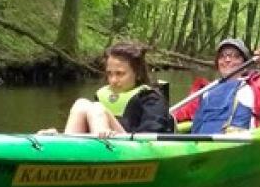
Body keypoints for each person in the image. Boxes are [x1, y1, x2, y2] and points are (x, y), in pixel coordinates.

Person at [174, 37, 260, 135]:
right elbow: (177, 115)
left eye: (235, 56)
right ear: (218, 63)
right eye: (223, 56)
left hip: (237, 144)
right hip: (200, 145)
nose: (227, 59)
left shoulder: (259, 84)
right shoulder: (204, 91)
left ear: (244, 63)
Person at [38, 41, 174, 137]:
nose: (113, 80)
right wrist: (58, 136)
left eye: (120, 74)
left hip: (130, 148)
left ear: (137, 73)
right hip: (105, 140)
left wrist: (114, 135)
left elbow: (151, 138)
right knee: (81, 104)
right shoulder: (103, 96)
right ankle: (64, 143)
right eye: (110, 74)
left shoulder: (151, 99)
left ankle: (101, 153)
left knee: (97, 108)